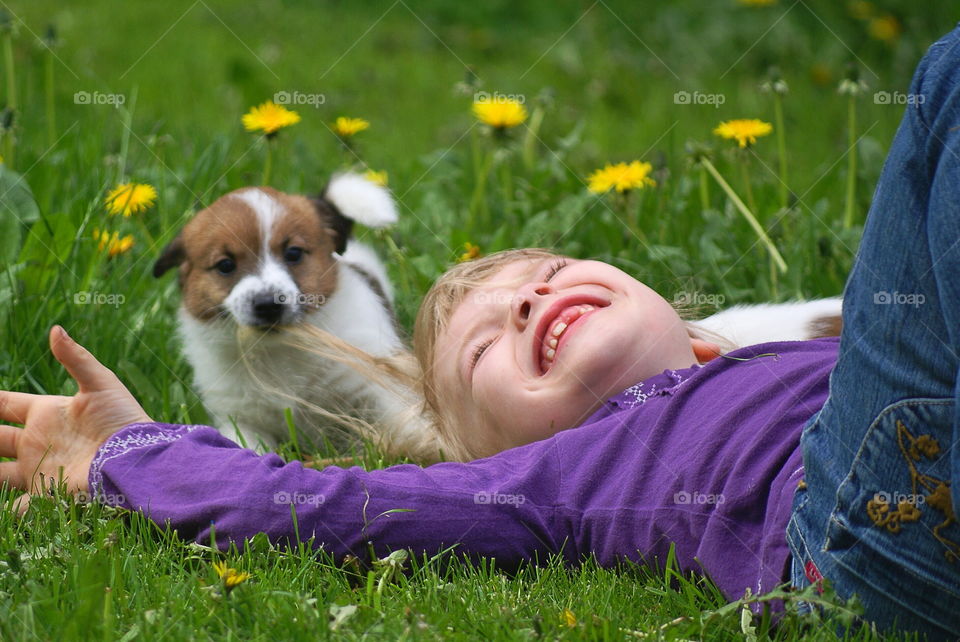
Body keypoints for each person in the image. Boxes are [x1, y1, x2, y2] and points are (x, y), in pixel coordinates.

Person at [3, 25, 960, 640]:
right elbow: (325, 504)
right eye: (484, 348)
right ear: (488, 461)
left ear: (703, 339)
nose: (532, 302)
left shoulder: (762, 354)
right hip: (861, 529)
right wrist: (133, 455)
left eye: (547, 276)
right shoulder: (567, 474)